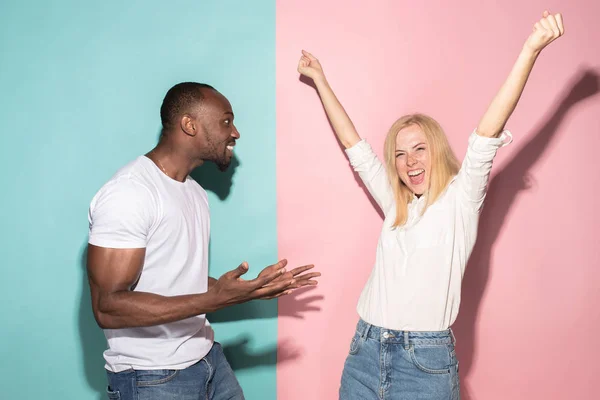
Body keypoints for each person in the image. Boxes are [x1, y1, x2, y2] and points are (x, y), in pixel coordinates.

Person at [297, 10, 563, 400]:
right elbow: (356, 149)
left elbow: (487, 132)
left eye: (420, 149)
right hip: (365, 352)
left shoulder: (461, 198)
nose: (410, 162)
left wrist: (530, 50)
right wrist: (320, 80)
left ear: (437, 149)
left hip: (424, 362)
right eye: (401, 155)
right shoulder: (396, 205)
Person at [86, 82, 320, 400]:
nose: (235, 132)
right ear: (190, 124)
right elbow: (107, 306)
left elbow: (181, 283)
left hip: (207, 359)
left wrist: (250, 289)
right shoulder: (130, 193)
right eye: (226, 120)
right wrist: (217, 300)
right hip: (151, 378)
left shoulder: (194, 192)